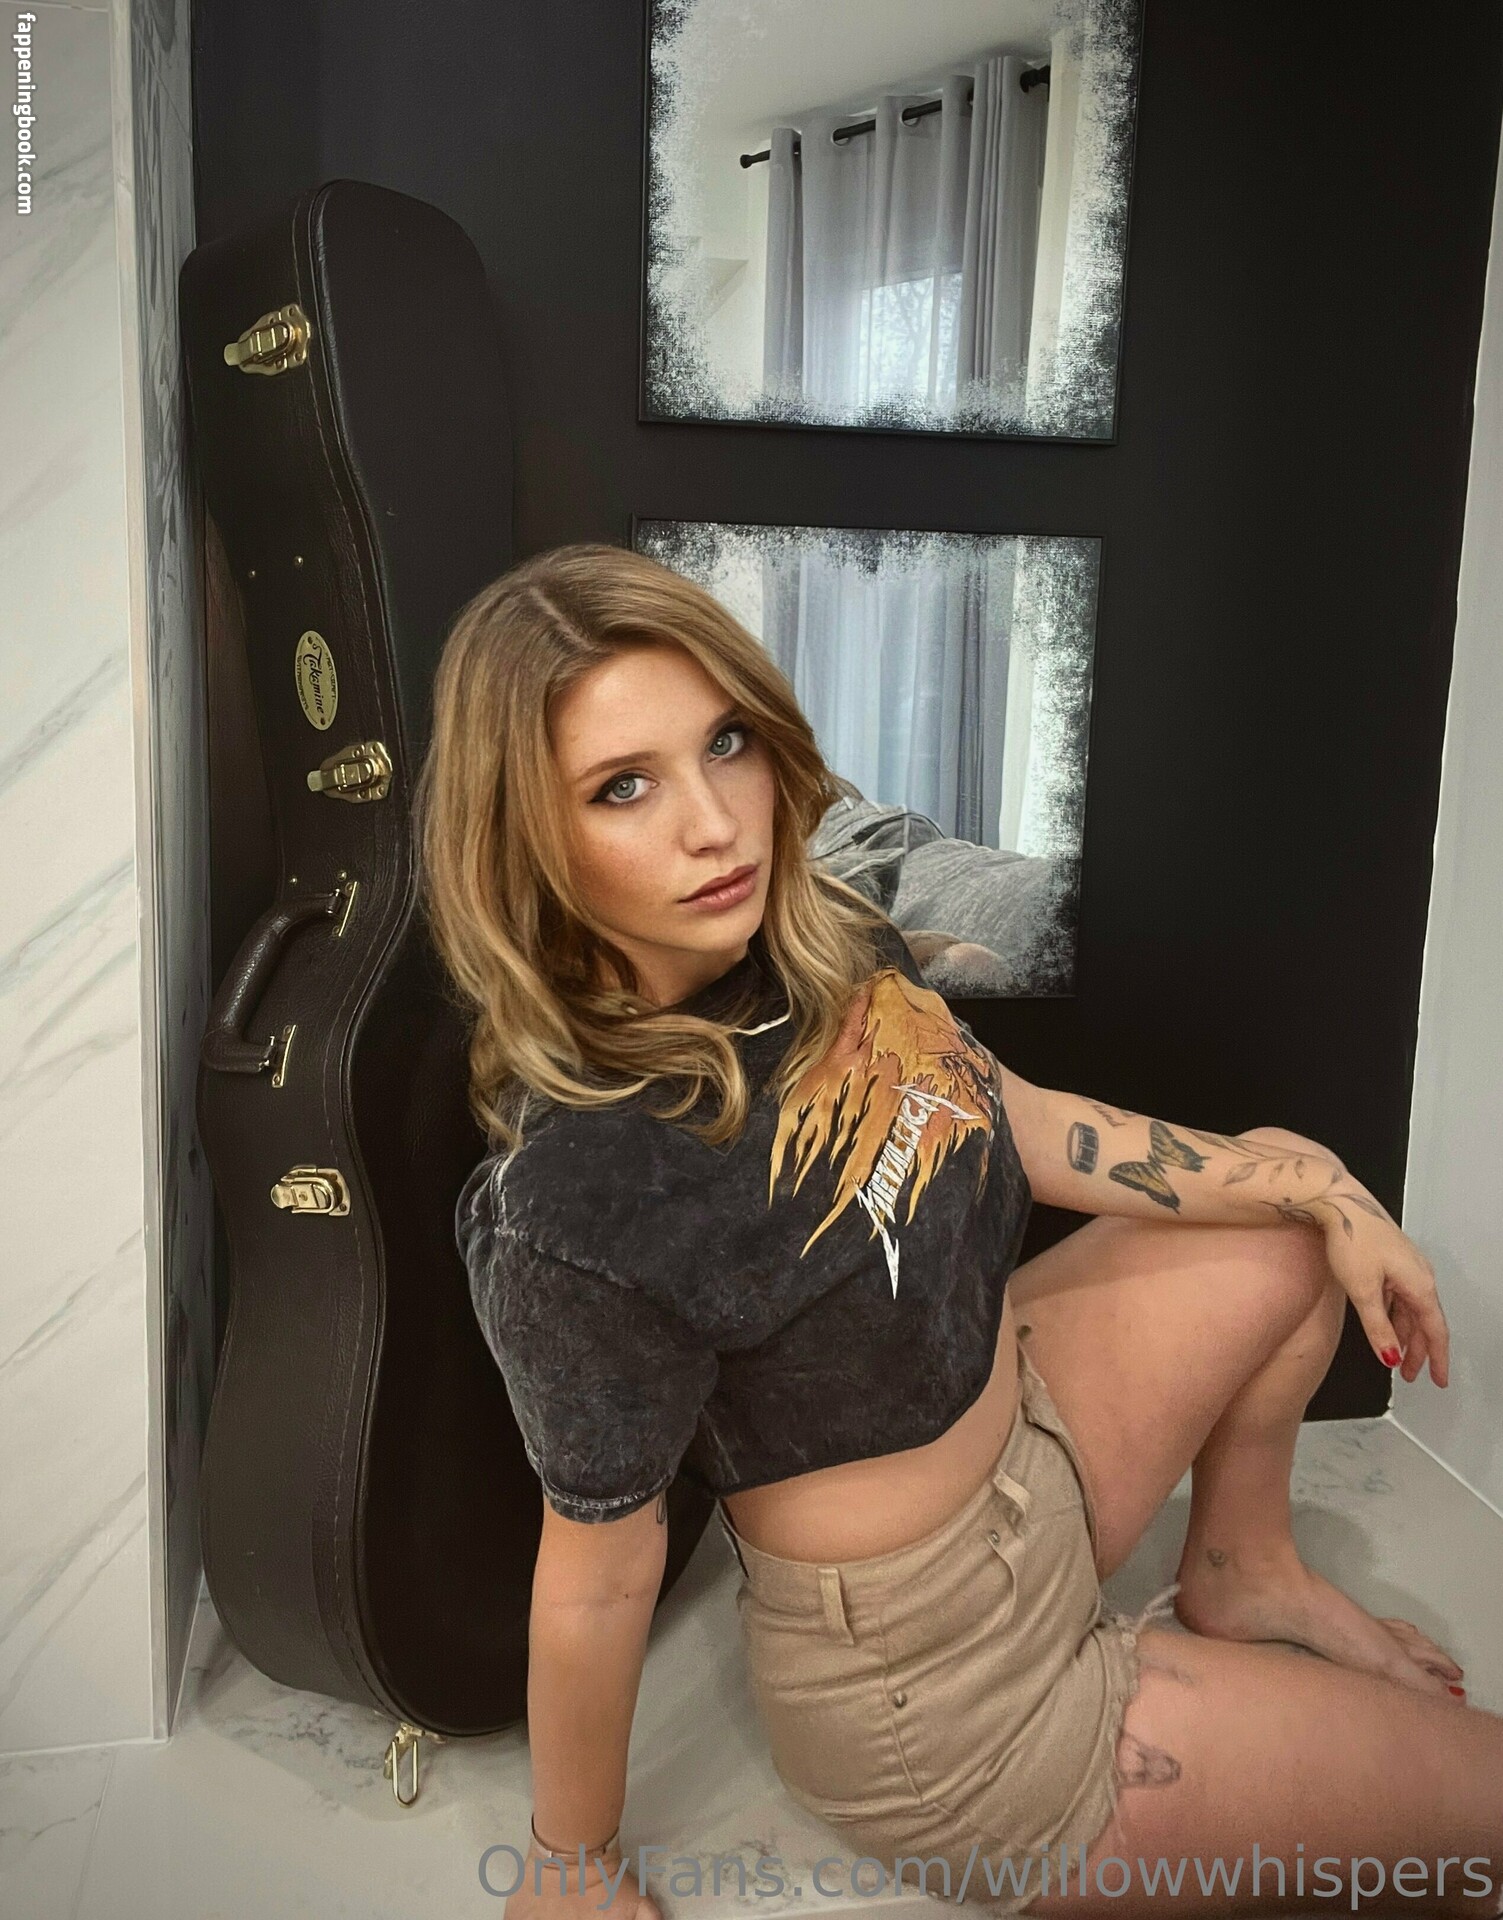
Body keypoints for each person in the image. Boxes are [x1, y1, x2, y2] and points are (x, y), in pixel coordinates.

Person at [414, 542, 1503, 1920]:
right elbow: (596, 1580)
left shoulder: (818, 942)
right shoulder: (578, 1198)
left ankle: (1245, 1569)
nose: (718, 825)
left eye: (727, 743)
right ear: (522, 837)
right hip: (941, 1698)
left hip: (1036, 1448)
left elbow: (1020, 1120)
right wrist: (569, 1860)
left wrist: (1332, 1191)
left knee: (1287, 1193)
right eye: (622, 787)